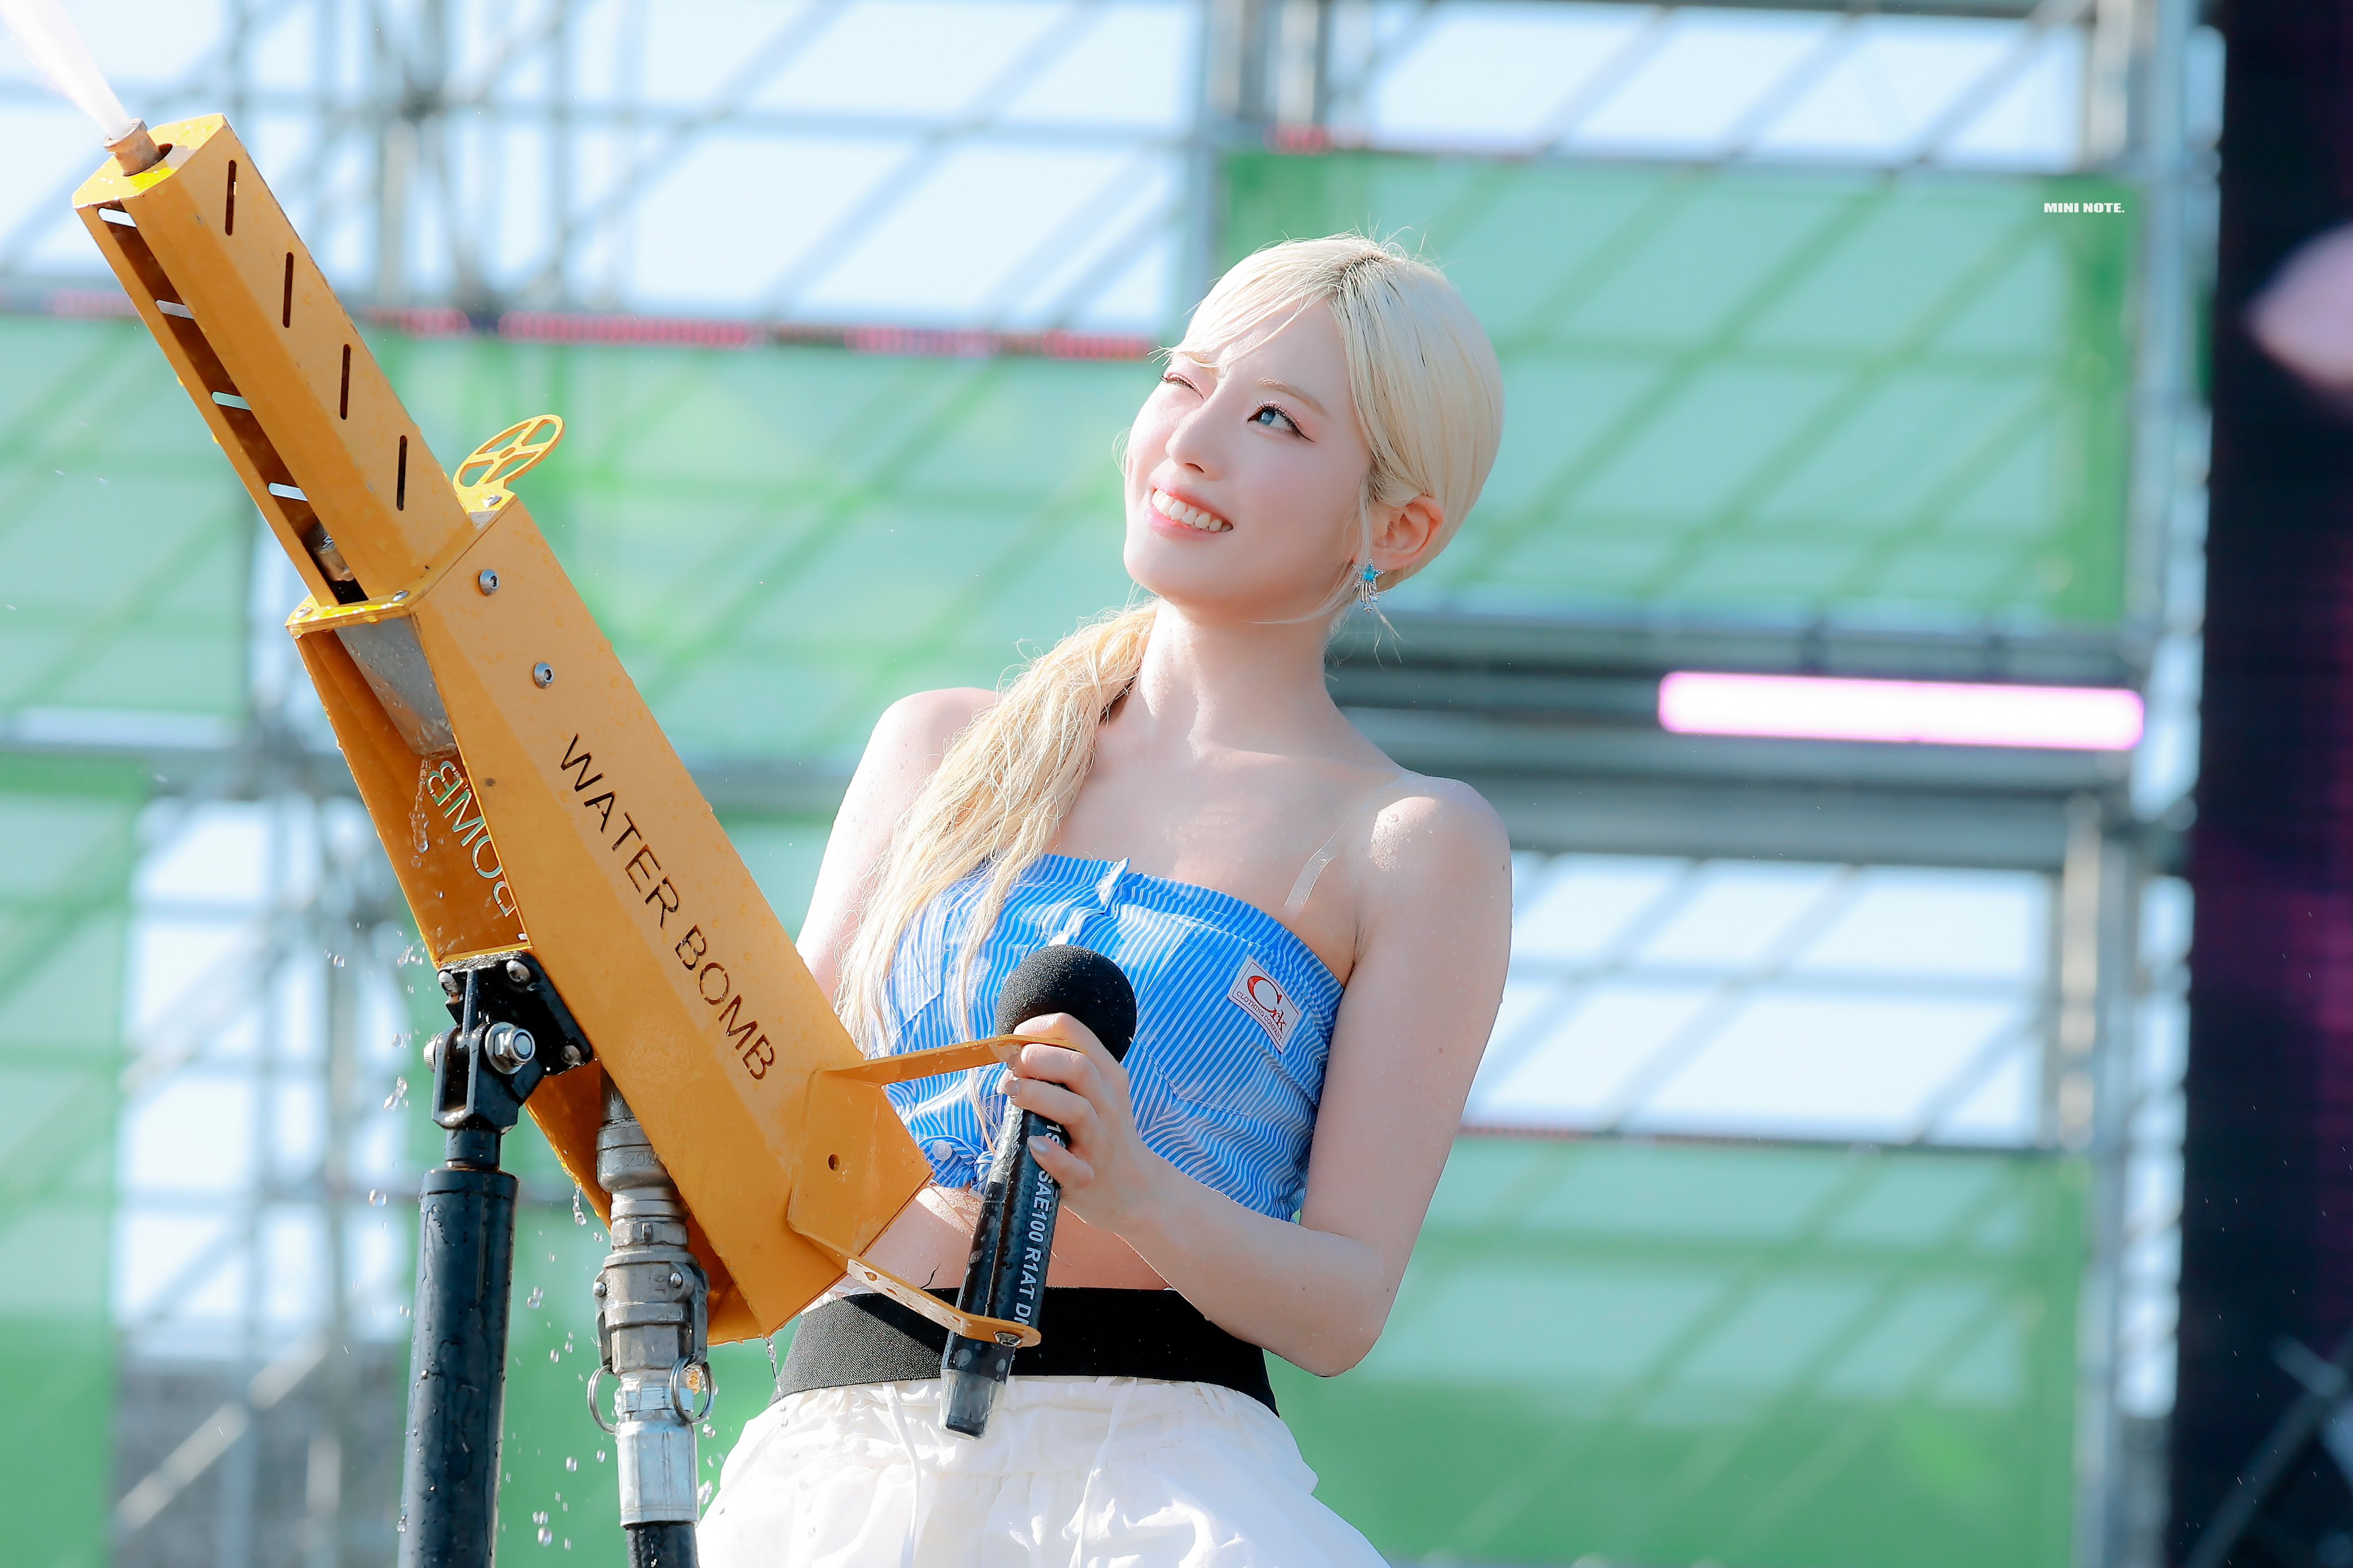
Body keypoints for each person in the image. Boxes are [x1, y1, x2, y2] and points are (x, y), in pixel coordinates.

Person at [699, 233, 1513, 1566]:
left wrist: (1131, 1187)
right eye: (1182, 380)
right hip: (834, 1472)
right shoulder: (938, 751)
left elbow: (1342, 1303)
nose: (1191, 441)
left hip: (1159, 1490)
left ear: (1395, 527)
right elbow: (771, 1117)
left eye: (1274, 419)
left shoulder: (1410, 842)